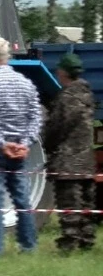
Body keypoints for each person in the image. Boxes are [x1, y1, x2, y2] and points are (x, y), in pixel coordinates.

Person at [0, 37, 42, 255]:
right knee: (22, 199)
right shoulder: (26, 83)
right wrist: (25, 143)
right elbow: (36, 117)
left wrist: (2, 144)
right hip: (20, 151)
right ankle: (28, 246)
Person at [43, 53, 97, 252]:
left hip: (68, 163)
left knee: (69, 205)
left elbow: (56, 128)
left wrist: (47, 145)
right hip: (87, 162)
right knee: (86, 205)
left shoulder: (66, 98)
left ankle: (70, 243)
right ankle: (87, 240)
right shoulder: (87, 95)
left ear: (64, 72)